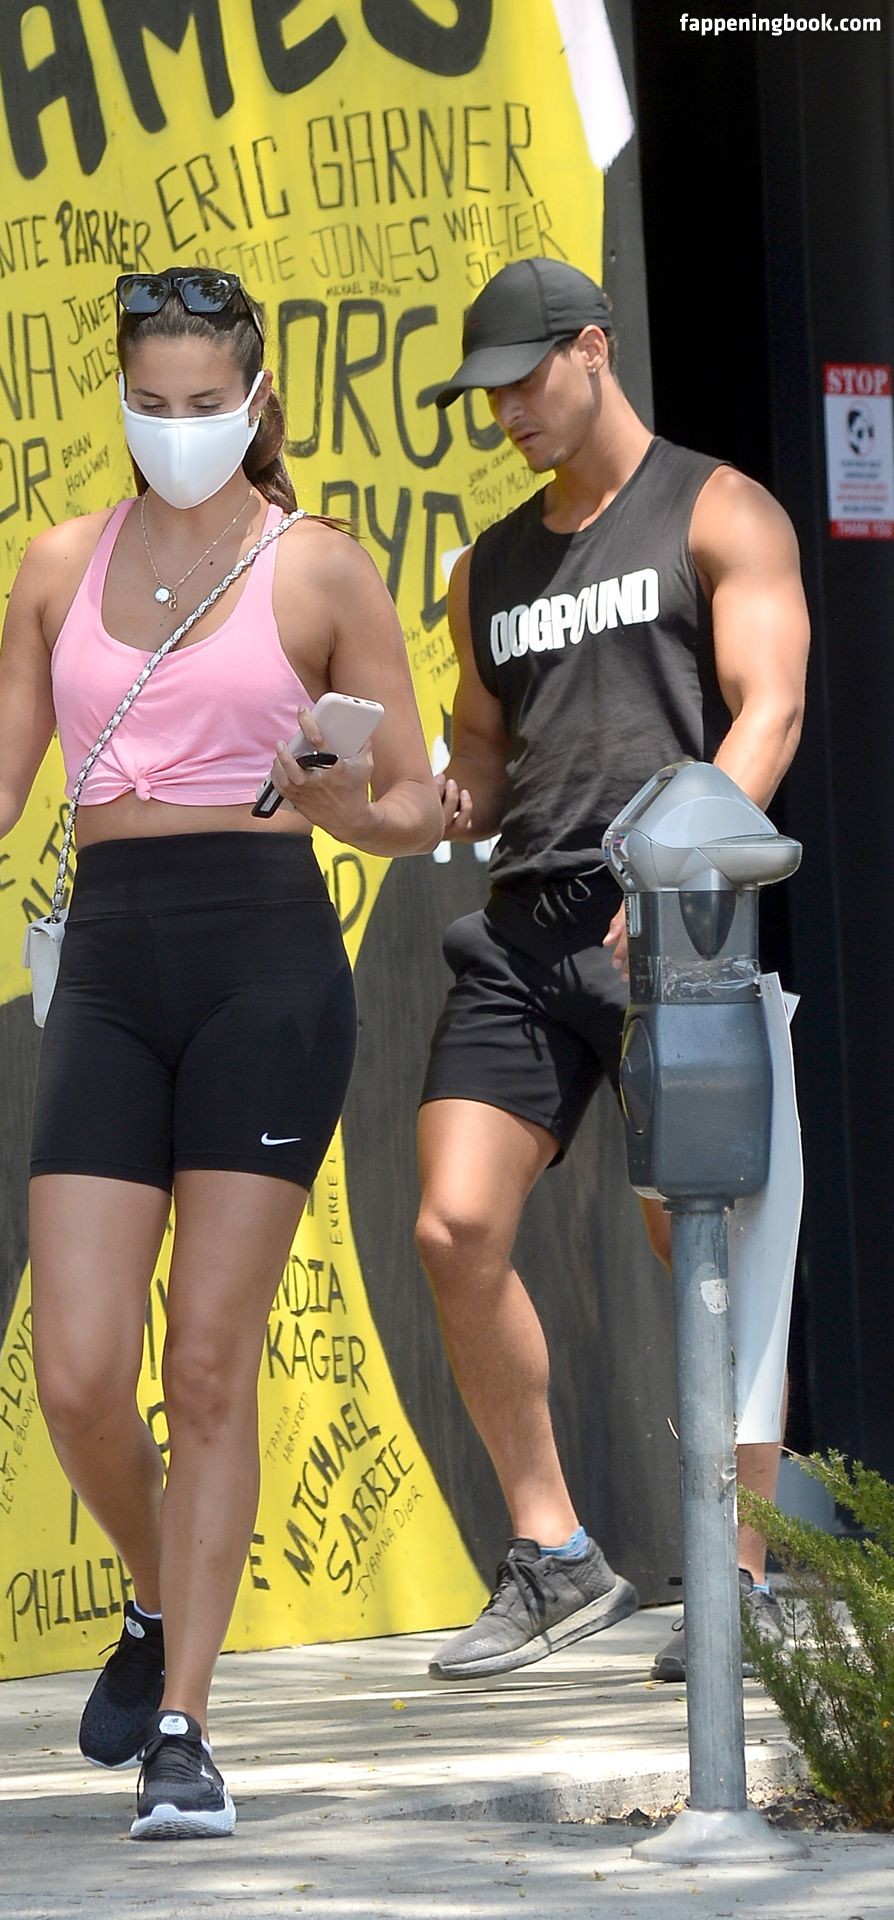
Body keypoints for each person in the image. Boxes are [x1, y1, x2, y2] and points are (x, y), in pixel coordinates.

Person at [0, 265, 441, 1839]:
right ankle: (153, 1592)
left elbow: (413, 805)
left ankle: (183, 1725)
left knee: (203, 1361)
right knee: (76, 1374)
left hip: (266, 961)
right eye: (149, 402)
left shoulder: (320, 568)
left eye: (202, 403)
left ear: (254, 402)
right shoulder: (60, 561)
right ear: (120, 400)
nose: (175, 427)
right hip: (111, 961)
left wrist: (336, 802)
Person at [415, 256, 810, 1683]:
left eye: (524, 379)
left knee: (704, 1243)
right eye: (486, 394)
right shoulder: (486, 566)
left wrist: (683, 859)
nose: (505, 412)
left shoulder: (716, 507)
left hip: (671, 918)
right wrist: (388, 795)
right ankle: (556, 1557)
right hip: (525, 924)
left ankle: (739, 1571)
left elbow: (770, 706)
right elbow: (475, 760)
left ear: (593, 349)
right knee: (453, 1228)